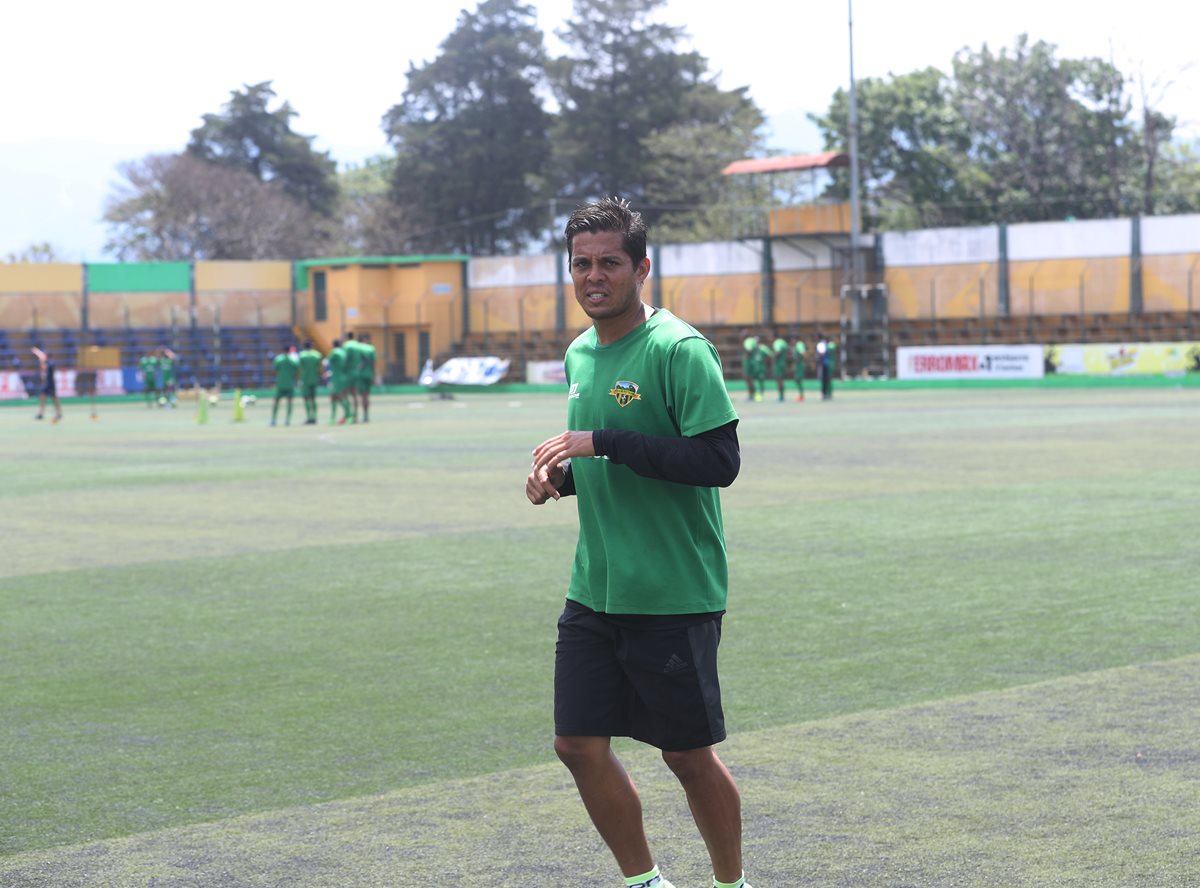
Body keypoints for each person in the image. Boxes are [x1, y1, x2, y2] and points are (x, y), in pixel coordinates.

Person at [526, 198, 752, 888]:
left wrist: (607, 442)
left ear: (641, 267)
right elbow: (604, 464)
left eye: (609, 263)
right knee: (576, 746)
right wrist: (560, 482)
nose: (594, 276)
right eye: (582, 264)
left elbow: (719, 464)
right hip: (595, 588)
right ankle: (645, 882)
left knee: (686, 757)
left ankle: (732, 885)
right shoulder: (579, 353)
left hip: (671, 590)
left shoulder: (678, 350)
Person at [31, 346, 63, 422]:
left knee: (54, 398)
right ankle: (41, 413)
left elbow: (44, 367)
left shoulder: (51, 363)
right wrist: (37, 352)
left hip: (50, 383)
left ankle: (59, 413)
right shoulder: (47, 362)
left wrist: (41, 360)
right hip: (46, 383)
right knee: (42, 397)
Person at [270, 344, 300, 426]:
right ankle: (287, 420)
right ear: (289, 351)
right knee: (289, 402)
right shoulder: (293, 360)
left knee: (276, 401)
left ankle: (273, 420)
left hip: (281, 384)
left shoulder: (279, 359)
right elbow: (297, 369)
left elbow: (275, 369)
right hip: (290, 384)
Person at [325, 339, 352, 425]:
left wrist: (328, 372)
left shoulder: (335, 352)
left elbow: (327, 362)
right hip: (344, 377)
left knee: (336, 397)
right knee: (342, 397)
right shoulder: (344, 352)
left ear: (333, 345)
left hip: (337, 378)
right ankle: (348, 416)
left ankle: (346, 416)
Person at [297, 340, 323, 425]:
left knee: (306, 399)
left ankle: (309, 417)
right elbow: (320, 368)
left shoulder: (302, 355)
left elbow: (300, 368)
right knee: (313, 399)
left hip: (305, 379)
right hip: (314, 379)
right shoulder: (317, 355)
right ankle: (315, 417)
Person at [770, 329, 789, 402]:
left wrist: (773, 357)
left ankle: (781, 396)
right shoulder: (783, 342)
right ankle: (782, 395)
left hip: (778, 364)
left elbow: (778, 352)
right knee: (781, 380)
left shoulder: (776, 342)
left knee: (779, 380)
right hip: (783, 363)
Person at [739, 330, 757, 402]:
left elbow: (749, 350)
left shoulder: (747, 341)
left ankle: (751, 395)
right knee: (750, 379)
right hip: (752, 362)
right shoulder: (752, 340)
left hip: (749, 363)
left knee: (748, 379)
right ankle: (753, 395)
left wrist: (746, 357)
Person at [817, 332, 834, 401]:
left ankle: (824, 394)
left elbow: (821, 353)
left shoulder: (821, 344)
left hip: (823, 364)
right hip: (827, 363)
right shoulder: (828, 344)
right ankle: (828, 394)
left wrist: (819, 361)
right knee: (827, 379)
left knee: (824, 380)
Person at [792, 333, 807, 402]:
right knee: (797, 379)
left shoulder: (799, 344)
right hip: (798, 365)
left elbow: (803, 353)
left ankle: (801, 396)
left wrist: (800, 361)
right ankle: (801, 395)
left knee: (798, 379)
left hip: (799, 365)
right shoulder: (797, 345)